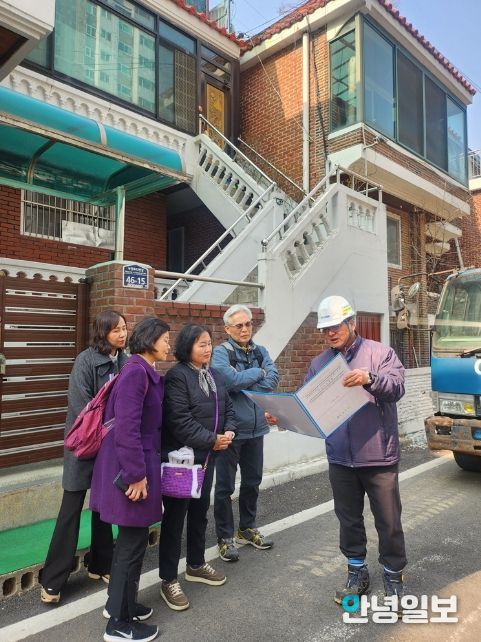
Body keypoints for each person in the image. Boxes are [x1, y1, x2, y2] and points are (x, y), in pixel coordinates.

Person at [305, 295, 406, 604]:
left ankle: (393, 576)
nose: (330, 333)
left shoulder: (380, 353)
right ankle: (356, 572)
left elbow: (397, 387)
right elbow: (309, 403)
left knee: (388, 521)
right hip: (340, 457)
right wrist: (284, 417)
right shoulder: (320, 363)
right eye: (325, 329)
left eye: (335, 326)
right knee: (348, 520)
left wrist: (369, 378)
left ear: (352, 323)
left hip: (378, 455)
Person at [40, 310, 129, 604]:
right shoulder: (86, 361)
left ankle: (101, 564)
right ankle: (53, 579)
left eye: (124, 328)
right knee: (71, 508)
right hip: (83, 445)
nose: (122, 334)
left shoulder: (126, 361)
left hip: (110, 445)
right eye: (115, 330)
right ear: (102, 332)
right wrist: (110, 427)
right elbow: (81, 407)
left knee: (104, 507)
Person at [90, 316, 170, 642]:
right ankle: (119, 625)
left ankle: (120, 605)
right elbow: (127, 428)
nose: (169, 344)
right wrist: (136, 475)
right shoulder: (137, 373)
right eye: (165, 339)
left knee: (130, 542)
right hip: (132, 470)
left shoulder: (139, 369)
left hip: (133, 465)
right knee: (132, 545)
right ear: (150, 340)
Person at [158, 324, 236, 611]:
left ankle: (196, 564)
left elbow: (228, 409)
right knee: (175, 519)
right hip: (183, 460)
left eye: (209, 344)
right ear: (187, 347)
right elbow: (179, 421)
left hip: (207, 459)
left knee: (200, 513)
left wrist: (229, 431)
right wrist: (212, 440)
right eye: (201, 344)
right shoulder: (177, 377)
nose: (208, 349)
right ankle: (168, 579)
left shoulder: (214, 375)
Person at [211, 304, 279, 563]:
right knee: (225, 487)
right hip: (230, 431)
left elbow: (273, 378)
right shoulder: (221, 353)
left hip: (256, 429)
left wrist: (245, 380)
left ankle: (247, 529)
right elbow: (228, 382)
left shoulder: (261, 351)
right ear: (227, 329)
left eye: (248, 324)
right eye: (238, 325)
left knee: (252, 482)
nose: (244, 329)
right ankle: (225, 537)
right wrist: (258, 373)